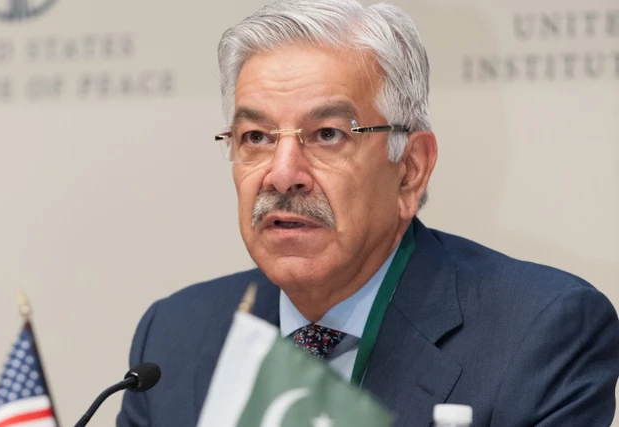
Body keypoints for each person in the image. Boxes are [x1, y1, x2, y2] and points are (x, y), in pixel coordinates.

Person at [117, 0, 619, 425]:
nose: (282, 174)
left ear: (411, 170)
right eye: (256, 137)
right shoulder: (174, 336)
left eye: (327, 134)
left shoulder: (538, 333)